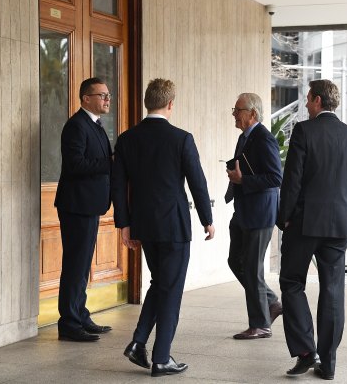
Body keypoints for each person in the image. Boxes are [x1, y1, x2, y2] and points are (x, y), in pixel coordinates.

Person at [111, 78, 214, 377]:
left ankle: (138, 343)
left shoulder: (127, 139)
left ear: (147, 102)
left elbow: (119, 187)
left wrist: (125, 226)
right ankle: (161, 357)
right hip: (174, 226)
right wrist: (207, 219)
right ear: (170, 104)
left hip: (144, 225)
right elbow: (198, 181)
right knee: (171, 290)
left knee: (160, 284)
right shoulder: (181, 138)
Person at [278, 79, 347, 380]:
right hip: (338, 225)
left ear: (317, 100)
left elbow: (293, 179)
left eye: (307, 99)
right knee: (332, 291)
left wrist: (284, 217)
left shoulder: (304, 131)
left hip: (303, 222)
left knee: (291, 283)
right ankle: (327, 363)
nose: (305, 104)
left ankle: (305, 351)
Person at [54, 77, 114, 342]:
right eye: (102, 95)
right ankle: (69, 323)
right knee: (75, 265)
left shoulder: (96, 125)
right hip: (76, 205)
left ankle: (80, 314)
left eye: (108, 95)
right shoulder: (76, 126)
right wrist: (110, 162)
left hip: (89, 205)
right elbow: (75, 165)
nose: (107, 99)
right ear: (86, 98)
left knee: (82, 265)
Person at [225, 93, 283, 340]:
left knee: (251, 268)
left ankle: (260, 324)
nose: (234, 115)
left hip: (260, 213)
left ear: (253, 114)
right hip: (244, 211)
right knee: (235, 261)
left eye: (238, 110)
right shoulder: (244, 138)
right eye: (234, 110)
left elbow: (276, 177)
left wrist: (243, 180)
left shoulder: (264, 139)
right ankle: (271, 302)